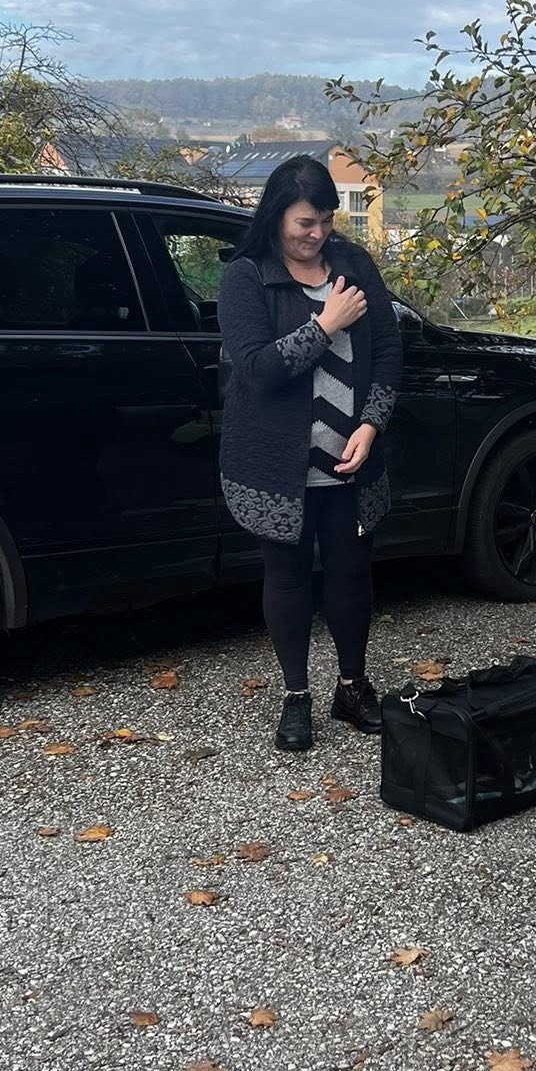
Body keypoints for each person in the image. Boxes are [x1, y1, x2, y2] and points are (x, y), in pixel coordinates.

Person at [218, 156, 403, 753]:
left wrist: (371, 423)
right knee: (288, 577)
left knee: (351, 574)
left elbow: (388, 349)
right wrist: (325, 325)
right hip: (277, 467)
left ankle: (352, 687)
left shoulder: (354, 265)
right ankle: (296, 696)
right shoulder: (246, 277)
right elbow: (256, 371)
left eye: (325, 220)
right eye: (305, 222)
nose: (317, 233)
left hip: (351, 460)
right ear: (276, 215)